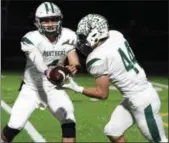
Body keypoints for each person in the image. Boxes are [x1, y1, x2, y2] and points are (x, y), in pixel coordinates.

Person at [63, 14, 168, 143]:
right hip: (134, 96)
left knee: (160, 141)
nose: (81, 41)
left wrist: (77, 88)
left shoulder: (97, 58)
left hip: (143, 102)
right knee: (113, 131)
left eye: (84, 37)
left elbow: (102, 94)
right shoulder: (115, 35)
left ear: (94, 34)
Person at [1, 2, 80, 143]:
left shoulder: (68, 35)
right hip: (32, 88)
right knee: (14, 126)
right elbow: (37, 60)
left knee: (69, 121)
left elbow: (73, 58)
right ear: (38, 22)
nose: (50, 23)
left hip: (54, 88)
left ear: (60, 19)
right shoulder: (31, 38)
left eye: (53, 19)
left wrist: (74, 67)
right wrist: (47, 71)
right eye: (45, 20)